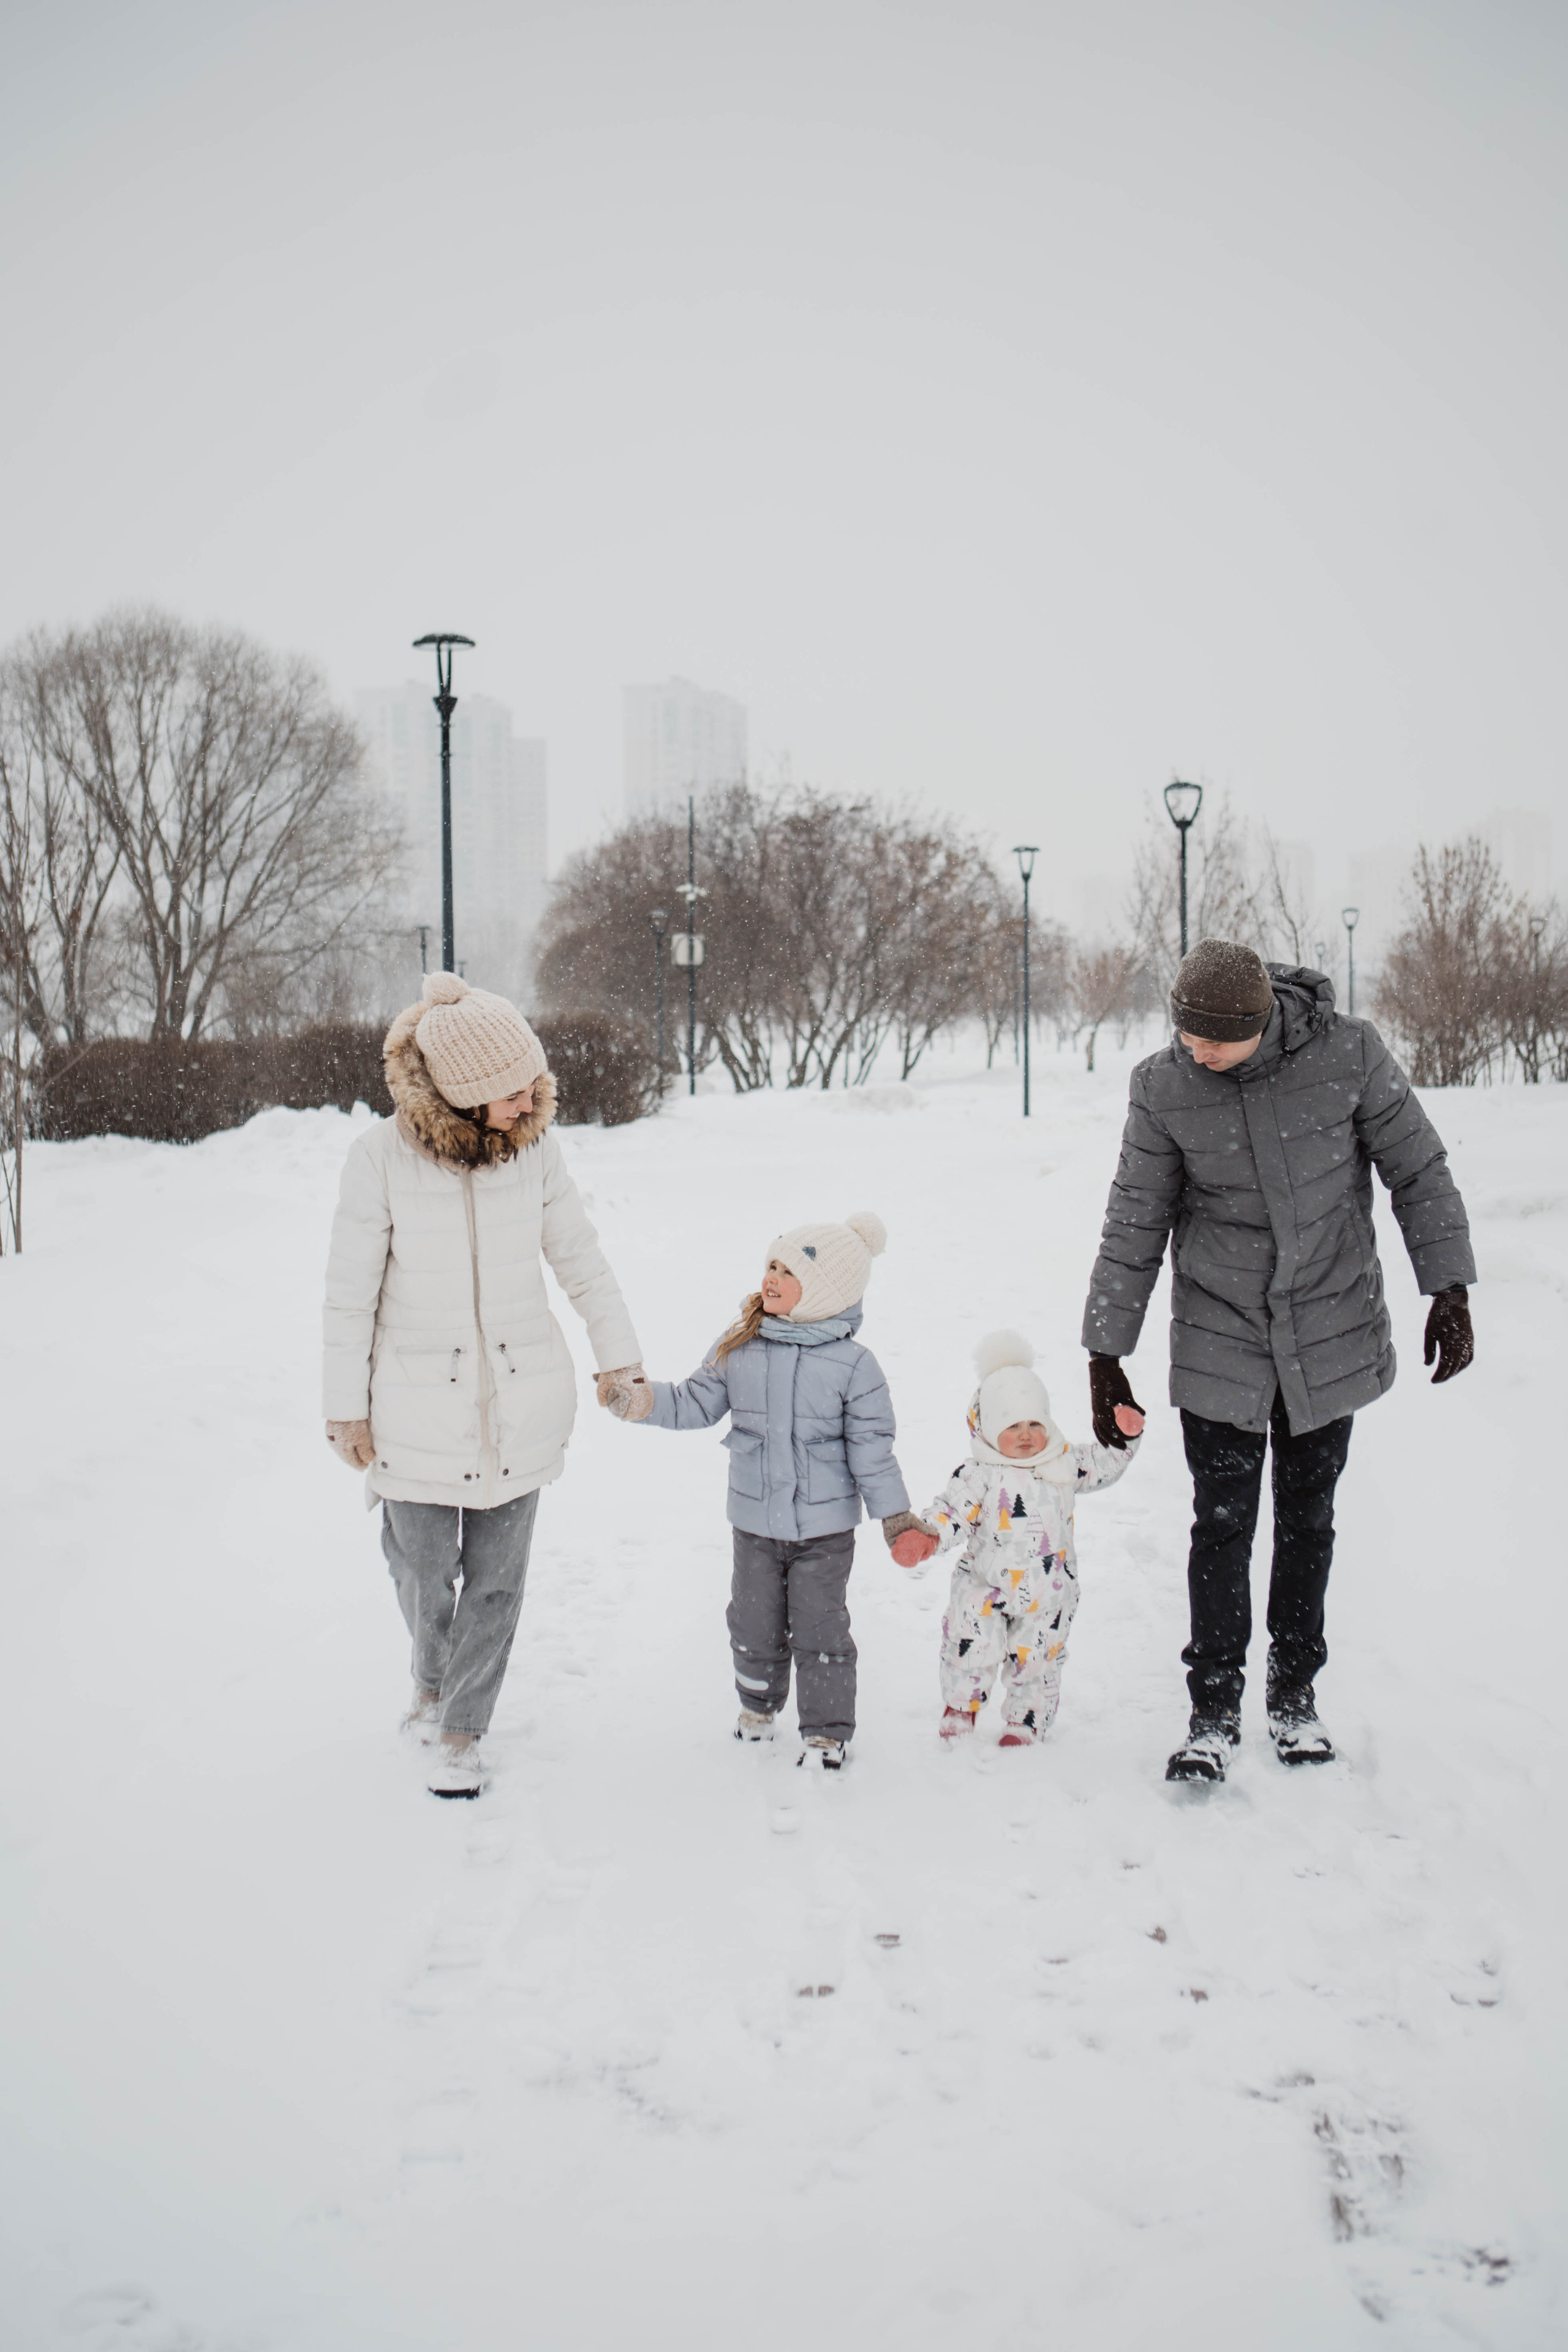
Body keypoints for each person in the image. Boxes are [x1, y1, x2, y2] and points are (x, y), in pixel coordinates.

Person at [1081, 939, 1475, 1785]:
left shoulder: (1350, 1055)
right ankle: (1212, 1712)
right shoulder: (1163, 1087)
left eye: (1214, 1039)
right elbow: (1134, 1222)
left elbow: (1418, 1168)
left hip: (1329, 1322)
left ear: (1261, 1022)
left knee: (1308, 1520)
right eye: (1186, 1035)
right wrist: (1104, 1351)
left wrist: (1448, 1286)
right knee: (1221, 1525)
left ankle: (1295, 1695)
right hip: (1221, 1327)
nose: (1197, 1052)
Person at [322, 972, 644, 1799]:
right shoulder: (378, 1160)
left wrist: (620, 1358)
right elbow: (349, 1294)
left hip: (519, 1402)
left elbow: (582, 1261)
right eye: (511, 1088)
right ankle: (431, 1677)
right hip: (413, 1409)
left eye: (534, 1077)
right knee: (423, 1572)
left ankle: (462, 1725)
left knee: (498, 1582)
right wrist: (344, 1408)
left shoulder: (538, 1151)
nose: (532, 1096)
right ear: (462, 1095)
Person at [603, 1211, 924, 1770]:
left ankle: (826, 1733)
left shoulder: (854, 1366)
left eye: (788, 1270)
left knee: (821, 1627)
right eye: (770, 1265)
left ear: (825, 1290)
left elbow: (873, 1450)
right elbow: (694, 1401)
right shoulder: (740, 1343)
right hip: (753, 1524)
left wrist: (896, 1519)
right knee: (752, 1621)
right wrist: (642, 1401)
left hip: (824, 1532)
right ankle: (757, 1707)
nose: (770, 1278)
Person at [893, 1330, 1144, 1745]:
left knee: (1040, 1661)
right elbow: (950, 1511)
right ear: (991, 1429)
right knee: (969, 1645)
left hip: (1050, 1591)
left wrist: (1127, 1437)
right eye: (1013, 1425)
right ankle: (961, 1705)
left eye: (1034, 1423)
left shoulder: (1064, 1462)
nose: (1026, 1435)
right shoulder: (980, 1474)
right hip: (985, 1587)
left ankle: (1026, 1721)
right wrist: (927, 1536)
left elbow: (1106, 1463)